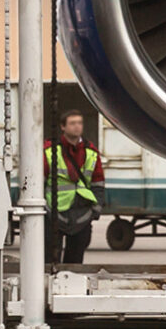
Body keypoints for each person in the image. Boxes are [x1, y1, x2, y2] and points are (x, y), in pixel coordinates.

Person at [45, 108, 105, 266]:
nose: (77, 127)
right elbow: (38, 182)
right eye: (72, 123)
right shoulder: (50, 151)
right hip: (54, 213)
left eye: (79, 123)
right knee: (50, 262)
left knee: (75, 264)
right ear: (62, 127)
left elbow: (98, 183)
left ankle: (70, 291)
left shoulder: (91, 152)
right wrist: (45, 209)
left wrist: (96, 209)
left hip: (82, 214)